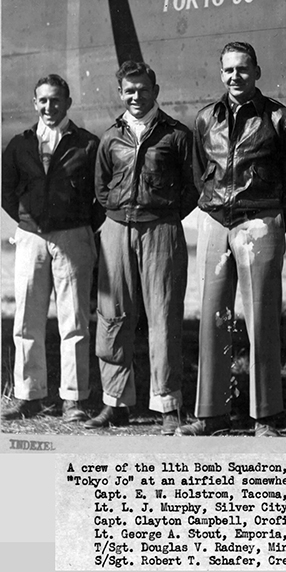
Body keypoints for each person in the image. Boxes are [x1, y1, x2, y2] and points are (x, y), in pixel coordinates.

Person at [176, 41, 286, 436]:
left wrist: (272, 217)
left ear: (257, 72)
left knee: (262, 321)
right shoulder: (205, 119)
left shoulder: (280, 119)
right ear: (221, 74)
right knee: (213, 319)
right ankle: (211, 415)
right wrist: (215, 206)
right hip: (215, 223)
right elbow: (201, 173)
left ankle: (266, 416)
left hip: (259, 223)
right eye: (229, 70)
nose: (236, 76)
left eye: (243, 69)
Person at [86, 61, 197, 434]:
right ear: (121, 93)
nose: (136, 96)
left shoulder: (177, 135)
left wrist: (162, 214)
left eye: (142, 89)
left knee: (164, 317)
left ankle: (168, 406)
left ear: (156, 90)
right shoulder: (109, 138)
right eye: (129, 91)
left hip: (161, 230)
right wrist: (120, 215)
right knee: (113, 316)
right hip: (117, 229)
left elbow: (192, 187)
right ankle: (115, 403)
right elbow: (101, 188)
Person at [2, 75, 102, 423]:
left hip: (73, 238)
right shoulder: (19, 144)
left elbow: (100, 197)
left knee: (74, 322)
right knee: (27, 320)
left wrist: (76, 223)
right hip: (31, 238)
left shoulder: (88, 144)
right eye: (43, 100)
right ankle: (28, 396)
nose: (49, 107)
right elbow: (6, 191)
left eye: (56, 100)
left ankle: (74, 399)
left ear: (68, 103)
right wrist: (30, 221)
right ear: (34, 103)